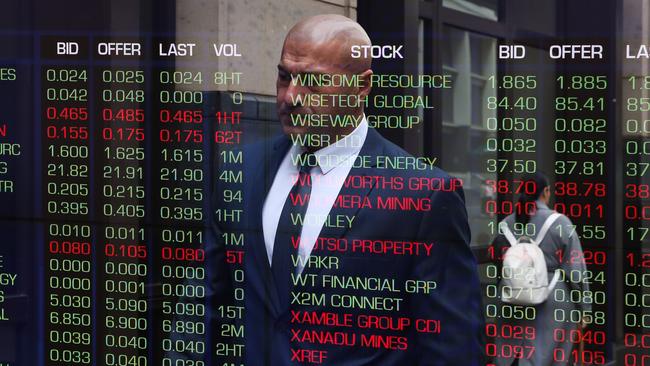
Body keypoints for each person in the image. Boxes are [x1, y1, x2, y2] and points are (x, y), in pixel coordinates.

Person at [211, 14, 484, 365]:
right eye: (284, 76)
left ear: (362, 85)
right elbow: (206, 300)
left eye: (312, 81)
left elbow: (451, 347)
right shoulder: (241, 170)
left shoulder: (423, 194)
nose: (290, 96)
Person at [489, 173, 591, 366]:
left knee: (513, 356)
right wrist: (584, 309)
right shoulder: (560, 222)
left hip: (513, 298)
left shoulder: (506, 223)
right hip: (553, 298)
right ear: (545, 192)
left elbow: (497, 261)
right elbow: (576, 270)